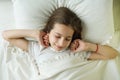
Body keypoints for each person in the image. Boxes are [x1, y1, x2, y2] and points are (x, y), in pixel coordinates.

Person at [2, 7, 118, 78]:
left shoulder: (76, 50)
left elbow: (113, 54)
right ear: (48, 32)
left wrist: (88, 46)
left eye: (67, 38)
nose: (61, 43)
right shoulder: (38, 48)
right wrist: (34, 33)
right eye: (57, 36)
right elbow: (6, 35)